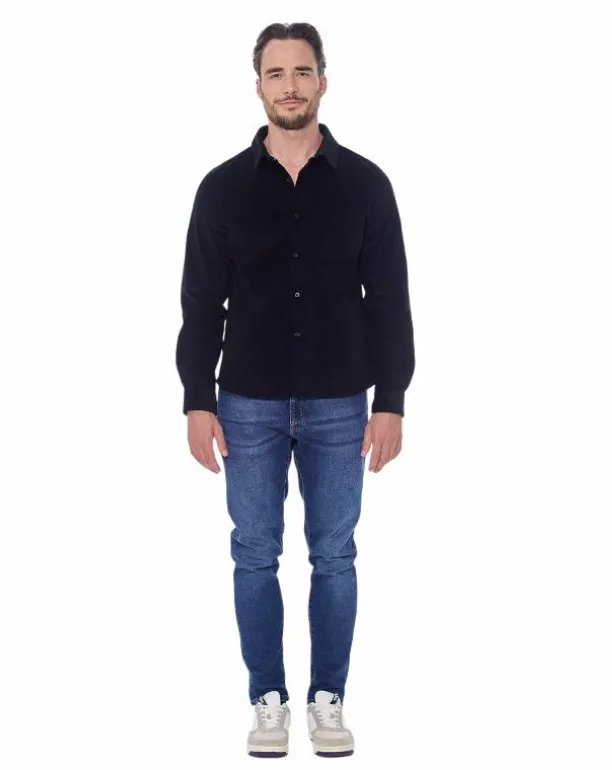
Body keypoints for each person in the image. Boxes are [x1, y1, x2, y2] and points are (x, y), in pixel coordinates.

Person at [175, 21, 415, 758]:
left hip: (341, 403)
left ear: (323, 81)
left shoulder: (367, 185)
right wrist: (197, 397)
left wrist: (392, 400)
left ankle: (327, 699)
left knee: (334, 555)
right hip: (245, 403)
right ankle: (268, 700)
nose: (290, 86)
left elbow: (390, 300)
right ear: (258, 86)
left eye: (302, 72)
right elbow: (201, 302)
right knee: (254, 553)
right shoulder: (221, 189)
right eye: (276, 73)